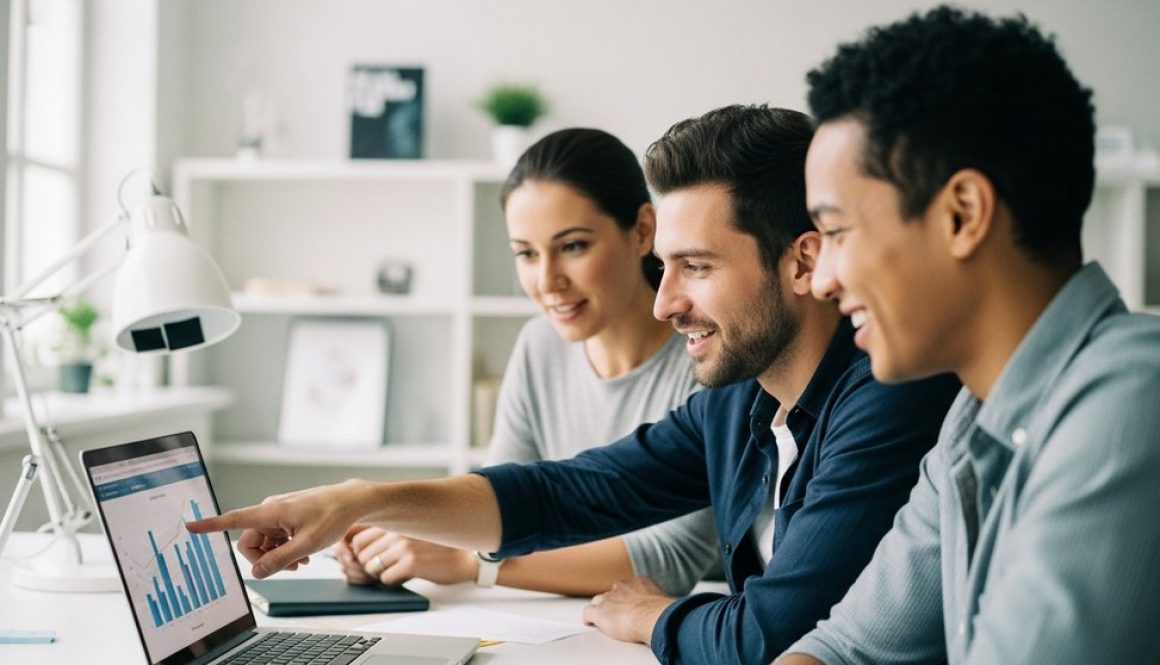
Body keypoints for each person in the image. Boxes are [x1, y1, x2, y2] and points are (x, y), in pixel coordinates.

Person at [188, 105, 961, 665]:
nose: (665, 302)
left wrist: (654, 617)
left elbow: (767, 634)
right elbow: (563, 492)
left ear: (802, 261)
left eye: (695, 267)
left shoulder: (887, 394)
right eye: (669, 267)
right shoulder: (739, 401)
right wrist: (357, 499)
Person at [779, 7, 1160, 665]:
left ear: (962, 214)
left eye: (837, 232)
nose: (823, 279)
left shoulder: (1129, 402)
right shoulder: (973, 418)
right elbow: (845, 648)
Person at [337, 128, 719, 597]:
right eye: (526, 254)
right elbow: (495, 502)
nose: (546, 280)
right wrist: (398, 541)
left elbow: (671, 559)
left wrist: (469, 560)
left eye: (573, 246)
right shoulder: (540, 344)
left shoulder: (708, 357)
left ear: (643, 231)